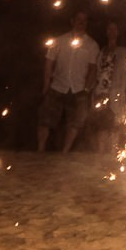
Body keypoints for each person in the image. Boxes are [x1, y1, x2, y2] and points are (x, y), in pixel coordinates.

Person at [38, 10, 99, 152]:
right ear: (72, 21)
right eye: (79, 20)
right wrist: (46, 84)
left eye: (84, 21)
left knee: (75, 123)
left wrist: (87, 89)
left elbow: (93, 69)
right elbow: (49, 62)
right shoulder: (59, 41)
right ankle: (40, 149)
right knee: (45, 119)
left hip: (78, 88)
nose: (81, 23)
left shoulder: (91, 45)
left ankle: (65, 152)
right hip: (58, 85)